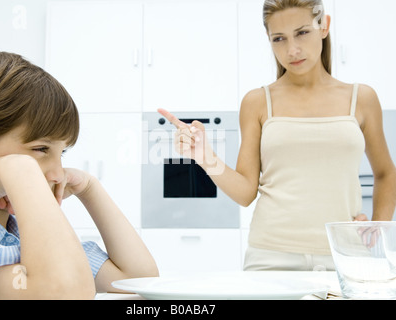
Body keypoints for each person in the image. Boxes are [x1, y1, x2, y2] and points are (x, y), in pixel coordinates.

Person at [158, 0, 396, 271]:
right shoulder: (258, 102)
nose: (292, 49)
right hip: (270, 257)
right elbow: (246, 192)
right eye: (279, 39)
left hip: (345, 255)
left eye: (302, 32)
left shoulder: (361, 98)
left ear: (324, 26)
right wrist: (204, 156)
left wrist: (379, 227)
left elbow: (386, 173)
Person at [0, 48, 158, 299]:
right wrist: (19, 170)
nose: (58, 173)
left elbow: (139, 281)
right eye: (41, 148)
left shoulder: (20, 235)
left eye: (63, 153)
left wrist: (90, 188)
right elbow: (63, 293)